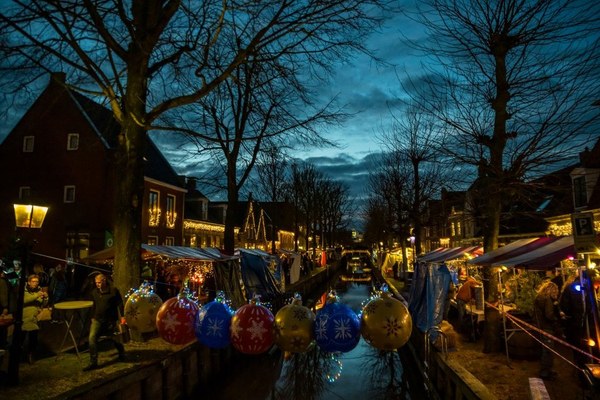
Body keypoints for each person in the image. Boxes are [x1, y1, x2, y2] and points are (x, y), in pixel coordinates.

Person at [84, 273, 125, 371]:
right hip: (97, 319)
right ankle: (93, 362)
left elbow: (120, 303)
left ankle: (122, 353)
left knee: (115, 338)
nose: (97, 285)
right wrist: (92, 317)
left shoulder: (113, 291)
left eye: (99, 282)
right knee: (92, 338)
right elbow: (94, 305)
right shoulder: (94, 292)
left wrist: (122, 316)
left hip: (110, 319)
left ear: (104, 281)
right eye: (96, 283)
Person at [533, 280, 561, 381]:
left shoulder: (539, 298)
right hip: (547, 327)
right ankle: (545, 372)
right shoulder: (547, 299)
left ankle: (547, 369)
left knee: (545, 349)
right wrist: (556, 319)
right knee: (548, 350)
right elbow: (549, 315)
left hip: (540, 326)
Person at [22, 274, 48, 364]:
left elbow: (43, 304)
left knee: (33, 339)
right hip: (24, 318)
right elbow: (24, 300)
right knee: (21, 337)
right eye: (33, 281)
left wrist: (46, 298)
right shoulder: (24, 291)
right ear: (28, 282)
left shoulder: (39, 290)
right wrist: (37, 295)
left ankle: (30, 355)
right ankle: (19, 355)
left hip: (34, 318)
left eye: (37, 281)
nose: (35, 283)